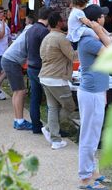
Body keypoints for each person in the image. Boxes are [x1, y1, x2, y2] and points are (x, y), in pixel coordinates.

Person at [77, 4, 112, 189]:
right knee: (89, 137)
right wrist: (98, 29)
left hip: (96, 91)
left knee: (94, 135)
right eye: (101, 18)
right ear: (96, 20)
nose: (104, 19)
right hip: (91, 93)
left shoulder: (94, 36)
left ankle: (92, 172)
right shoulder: (89, 40)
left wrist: (99, 29)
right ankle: (84, 178)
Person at [39, 11, 77, 150]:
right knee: (69, 106)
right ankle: (50, 129)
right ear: (60, 23)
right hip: (56, 79)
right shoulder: (61, 38)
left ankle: (55, 139)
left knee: (53, 107)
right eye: (63, 20)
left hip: (45, 77)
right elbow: (73, 56)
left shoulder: (47, 37)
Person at [1, 14, 35, 130]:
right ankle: (20, 121)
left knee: (17, 91)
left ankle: (17, 120)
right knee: (20, 91)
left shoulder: (29, 29)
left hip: (8, 59)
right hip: (12, 61)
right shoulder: (33, 32)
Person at [26, 6, 52, 134]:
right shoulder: (44, 32)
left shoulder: (31, 29)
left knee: (35, 98)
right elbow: (48, 52)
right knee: (50, 99)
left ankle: (36, 125)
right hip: (42, 68)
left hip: (31, 66)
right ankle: (52, 127)